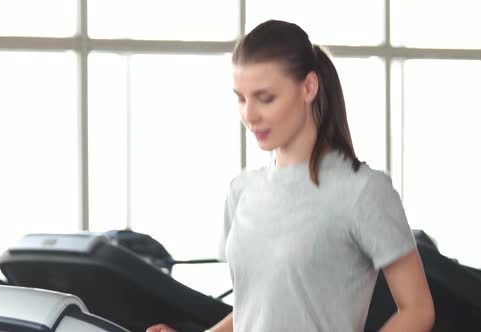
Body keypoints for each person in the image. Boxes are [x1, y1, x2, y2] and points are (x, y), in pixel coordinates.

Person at [147, 19, 434, 332]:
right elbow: (254, 310)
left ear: (308, 87)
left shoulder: (362, 190)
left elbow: (417, 309)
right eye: (241, 99)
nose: (249, 115)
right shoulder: (242, 191)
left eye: (265, 98)